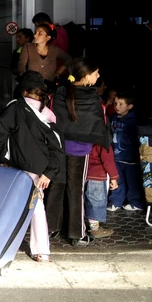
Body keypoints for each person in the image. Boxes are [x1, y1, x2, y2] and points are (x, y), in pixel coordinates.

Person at [0, 71, 65, 262]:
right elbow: (57, 147)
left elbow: (0, 135)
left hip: (16, 167)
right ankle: (41, 250)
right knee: (36, 208)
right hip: (39, 172)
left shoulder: (14, 108)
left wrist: (2, 159)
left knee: (11, 205)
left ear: (23, 91)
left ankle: (2, 242)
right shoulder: (48, 114)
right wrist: (48, 173)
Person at [49, 58, 111, 247]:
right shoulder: (92, 98)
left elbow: (52, 119)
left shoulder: (59, 93)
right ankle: (77, 234)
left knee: (56, 188)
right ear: (85, 77)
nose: (98, 76)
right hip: (79, 151)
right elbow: (101, 123)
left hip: (58, 149)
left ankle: (51, 229)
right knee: (76, 190)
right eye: (96, 73)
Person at [108, 92, 146, 212]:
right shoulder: (112, 118)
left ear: (129, 106)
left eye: (120, 104)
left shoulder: (133, 120)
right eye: (115, 104)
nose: (117, 106)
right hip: (117, 157)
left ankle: (136, 202)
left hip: (131, 158)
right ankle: (115, 201)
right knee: (117, 180)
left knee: (133, 181)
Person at [85, 143, 119, 238]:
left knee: (86, 201)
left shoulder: (83, 133)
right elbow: (108, 160)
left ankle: (87, 225)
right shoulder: (102, 140)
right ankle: (95, 229)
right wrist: (114, 177)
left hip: (83, 173)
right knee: (96, 201)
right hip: (97, 175)